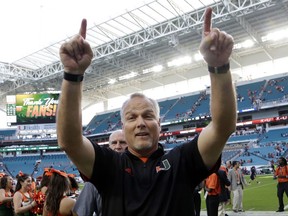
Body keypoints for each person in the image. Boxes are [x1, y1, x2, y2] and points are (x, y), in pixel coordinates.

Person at [57, 7, 236, 216]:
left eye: (148, 116)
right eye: (132, 117)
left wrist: (219, 67)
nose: (140, 122)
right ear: (124, 127)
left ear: (159, 124)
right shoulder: (109, 165)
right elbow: (69, 141)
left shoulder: (182, 161)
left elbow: (222, 127)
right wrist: (72, 75)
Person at [73, 130, 127, 216]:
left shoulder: (140, 173)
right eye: (114, 143)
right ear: (109, 147)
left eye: (123, 142)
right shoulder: (95, 179)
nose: (118, 146)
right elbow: (80, 213)